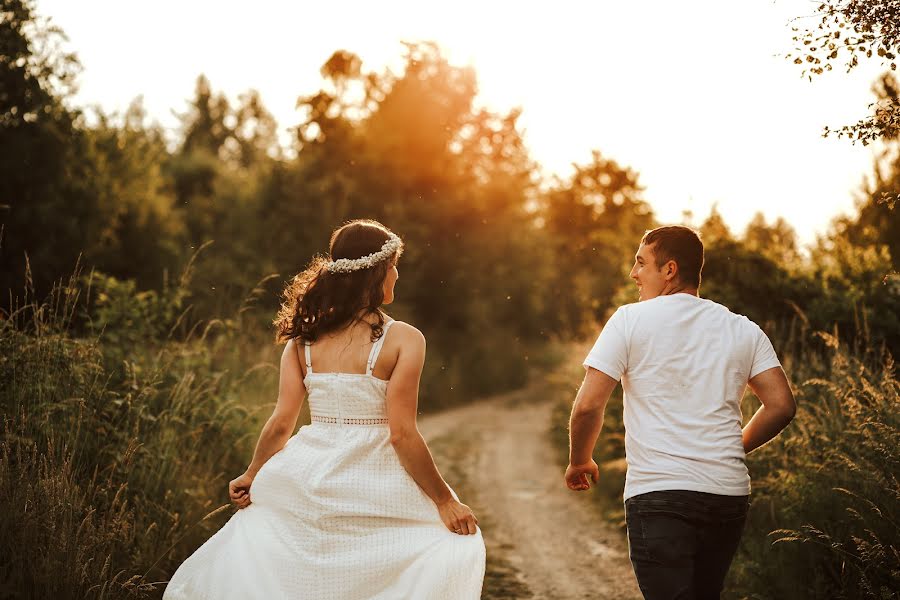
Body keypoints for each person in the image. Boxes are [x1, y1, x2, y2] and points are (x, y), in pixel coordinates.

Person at [164, 219, 485, 600]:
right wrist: (445, 501)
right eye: (395, 265)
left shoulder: (304, 340)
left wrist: (252, 473)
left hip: (310, 470)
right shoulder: (404, 339)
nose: (397, 274)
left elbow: (282, 423)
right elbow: (401, 434)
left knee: (303, 561)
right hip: (373, 471)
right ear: (377, 271)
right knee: (448, 541)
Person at [565, 225, 796, 600]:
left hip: (660, 495)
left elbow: (588, 405)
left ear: (669, 270)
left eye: (641, 263)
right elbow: (782, 406)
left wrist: (579, 460)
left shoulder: (628, 320)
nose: (633, 273)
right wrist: (732, 449)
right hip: (726, 494)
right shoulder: (742, 329)